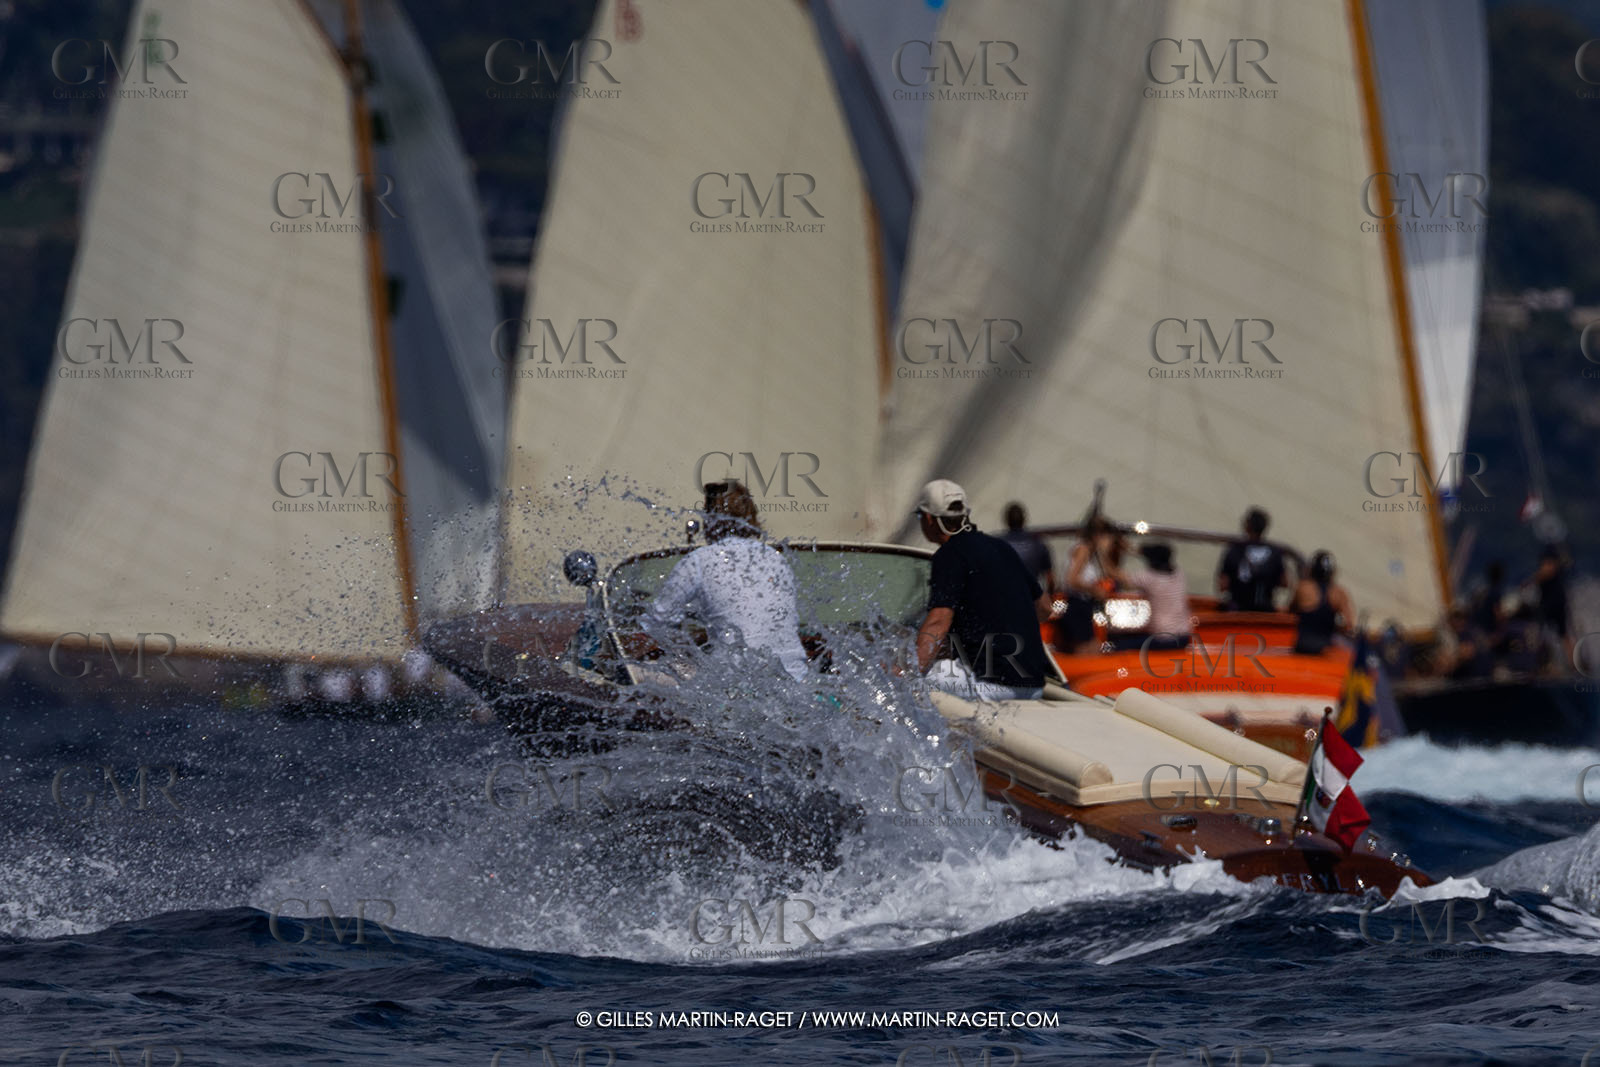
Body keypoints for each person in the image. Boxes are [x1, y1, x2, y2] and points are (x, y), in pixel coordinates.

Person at [642, 480, 810, 682]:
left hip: (735, 684)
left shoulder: (700, 560)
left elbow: (656, 622)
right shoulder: (777, 559)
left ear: (710, 519)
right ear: (752, 517)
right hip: (797, 679)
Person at [912, 479, 1053, 701]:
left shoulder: (949, 555)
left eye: (920, 516)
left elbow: (939, 621)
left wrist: (904, 670)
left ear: (929, 519)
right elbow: (1045, 608)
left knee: (912, 677)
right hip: (1034, 686)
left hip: (991, 686)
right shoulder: (1001, 548)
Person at [1059, 516, 1125, 652]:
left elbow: (1111, 572)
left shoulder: (1093, 554)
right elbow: (1072, 579)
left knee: (1094, 648)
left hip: (1085, 608)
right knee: (1088, 652)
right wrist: (1094, 590)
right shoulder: (1083, 549)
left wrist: (1103, 552)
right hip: (1077, 607)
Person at [1117, 541, 1191, 650]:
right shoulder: (1178, 574)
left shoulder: (1149, 578)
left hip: (1165, 639)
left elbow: (1120, 579)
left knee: (1118, 645)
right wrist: (1127, 548)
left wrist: (1103, 553)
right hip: (1184, 636)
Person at [1216, 507, 1287, 612]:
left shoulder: (1234, 549)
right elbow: (1284, 583)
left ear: (1247, 526)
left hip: (1238, 610)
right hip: (1266, 612)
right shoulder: (1276, 552)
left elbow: (1223, 586)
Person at [1292, 551, 1354, 654]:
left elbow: (1291, 611)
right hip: (1324, 649)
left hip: (1302, 646)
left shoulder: (1302, 588)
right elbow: (1348, 625)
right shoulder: (1339, 593)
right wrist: (1332, 625)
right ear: (1332, 572)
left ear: (1312, 569)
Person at [997, 502, 1055, 595]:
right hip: (1031, 597)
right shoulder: (1038, 543)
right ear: (1024, 519)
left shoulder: (997, 544)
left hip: (1006, 597)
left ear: (1006, 520)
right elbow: (1050, 578)